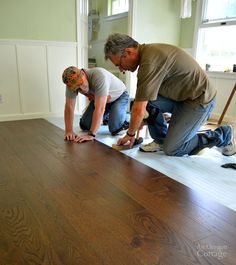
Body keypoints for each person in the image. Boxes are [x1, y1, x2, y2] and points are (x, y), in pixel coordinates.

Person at [104, 33, 236, 156]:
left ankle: (224, 134)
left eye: (119, 64)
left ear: (128, 52)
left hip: (199, 100)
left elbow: (139, 110)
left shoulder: (149, 62)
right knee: (146, 101)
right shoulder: (148, 55)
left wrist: (130, 134)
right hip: (182, 98)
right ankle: (161, 140)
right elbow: (142, 105)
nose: (121, 70)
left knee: (173, 148)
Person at [62, 66, 130, 142]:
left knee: (116, 129)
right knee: (85, 125)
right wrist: (69, 131)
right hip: (100, 99)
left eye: (81, 84)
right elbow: (69, 107)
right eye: (77, 88)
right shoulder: (70, 83)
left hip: (119, 97)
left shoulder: (99, 76)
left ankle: (129, 117)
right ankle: (107, 117)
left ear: (83, 74)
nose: (81, 89)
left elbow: (100, 109)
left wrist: (91, 134)